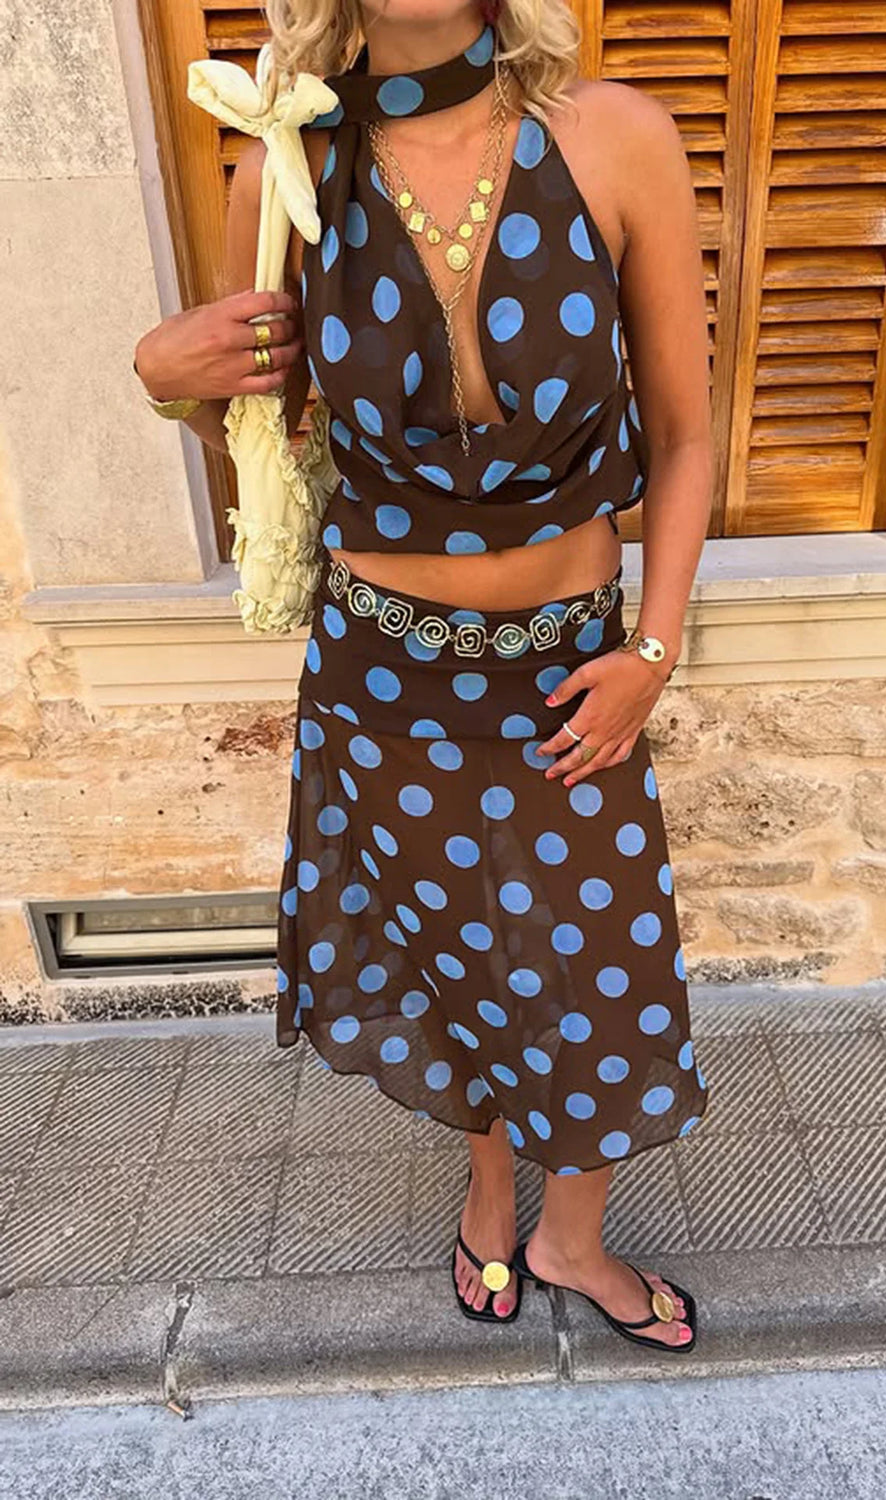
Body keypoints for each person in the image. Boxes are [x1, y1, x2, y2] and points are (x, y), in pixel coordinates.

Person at [134, 0, 712, 1353]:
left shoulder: (616, 139)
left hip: (573, 671)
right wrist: (169, 384)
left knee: (597, 972)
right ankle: (494, 1195)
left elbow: (687, 435)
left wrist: (651, 654)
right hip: (383, 673)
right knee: (462, 967)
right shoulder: (279, 170)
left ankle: (575, 1236)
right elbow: (267, 451)